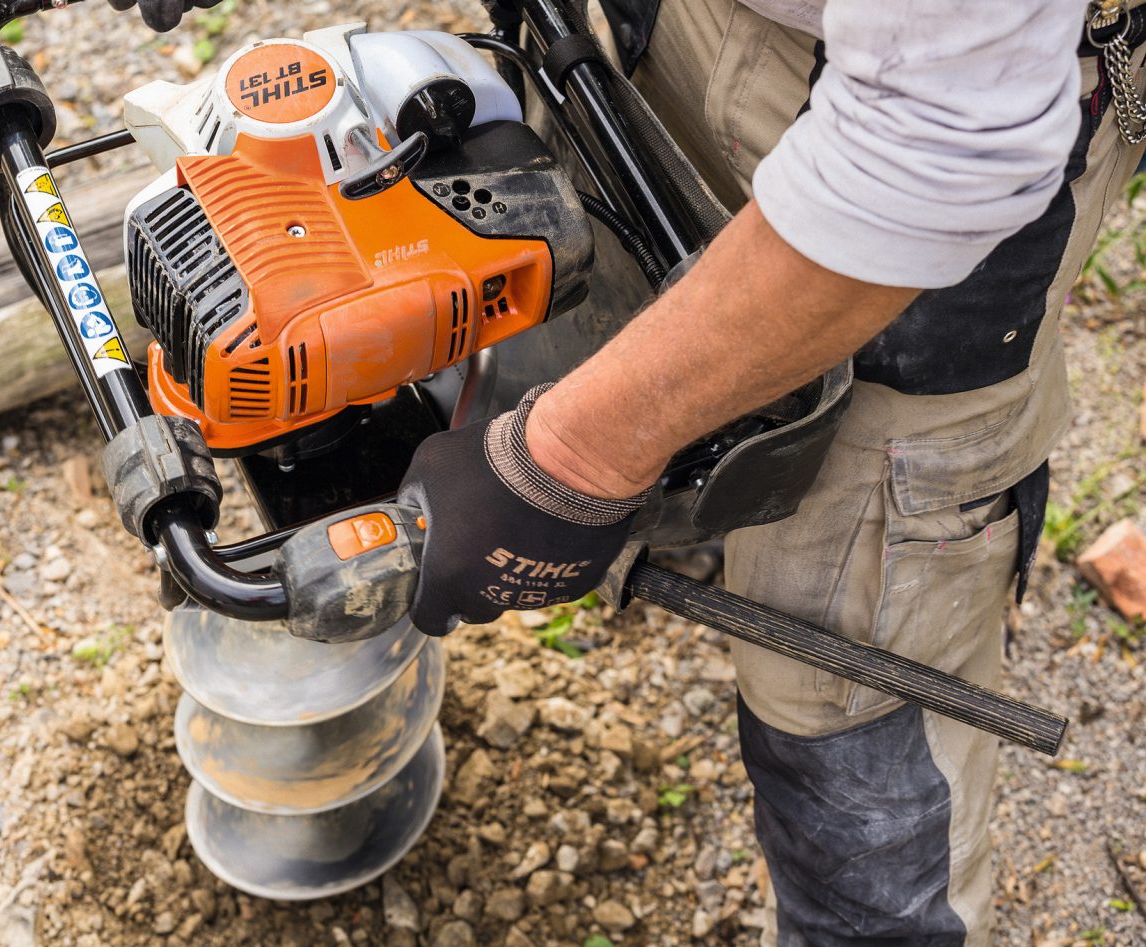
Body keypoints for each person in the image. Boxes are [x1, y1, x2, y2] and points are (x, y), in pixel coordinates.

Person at [121, 0, 1145, 941]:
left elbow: (942, 142)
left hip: (928, 146)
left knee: (852, 745)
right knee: (616, 323)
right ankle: (695, 498)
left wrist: (570, 459)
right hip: (663, 30)